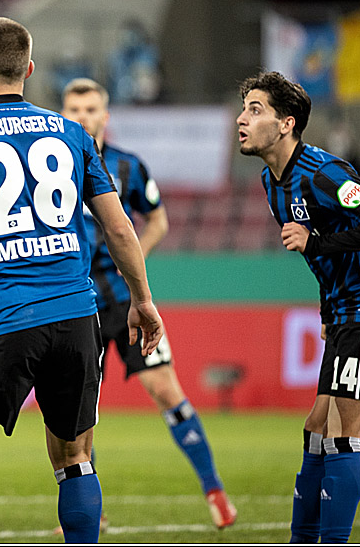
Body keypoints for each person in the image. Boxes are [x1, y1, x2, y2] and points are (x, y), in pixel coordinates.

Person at [0, 17, 165, 544]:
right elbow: (120, 225)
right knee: (75, 458)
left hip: (0, 320)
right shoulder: (74, 133)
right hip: (77, 318)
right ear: (29, 70)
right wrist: (141, 299)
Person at [60, 77, 236, 530]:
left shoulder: (127, 166)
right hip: (76, 305)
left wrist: (131, 258)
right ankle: (86, 512)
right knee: (81, 412)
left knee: (166, 391)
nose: (83, 116)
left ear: (105, 115)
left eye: (91, 108)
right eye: (75, 109)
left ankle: (215, 490)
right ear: (63, 113)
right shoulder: (50, 163)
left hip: (124, 302)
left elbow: (158, 219)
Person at [236, 70, 360, 544]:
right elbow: (320, 262)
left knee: (343, 431)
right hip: (344, 312)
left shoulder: (323, 174)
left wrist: (317, 241)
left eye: (255, 110)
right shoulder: (271, 180)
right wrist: (326, 312)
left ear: (286, 124)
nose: (241, 118)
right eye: (244, 108)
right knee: (317, 430)